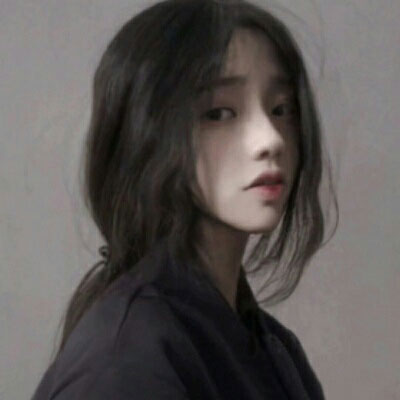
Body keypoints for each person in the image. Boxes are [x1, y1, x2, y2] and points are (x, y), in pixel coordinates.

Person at [31, 0, 338, 398]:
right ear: (148, 133)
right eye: (220, 113)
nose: (271, 139)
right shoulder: (126, 361)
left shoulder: (272, 348)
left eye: (281, 109)